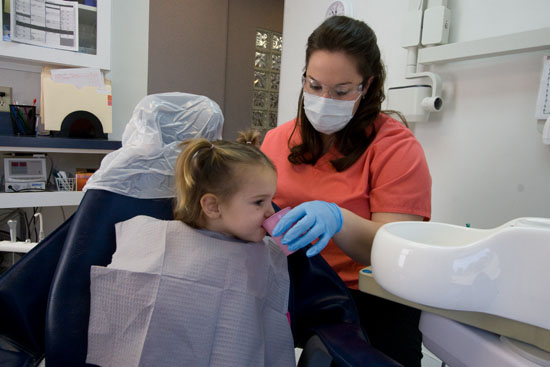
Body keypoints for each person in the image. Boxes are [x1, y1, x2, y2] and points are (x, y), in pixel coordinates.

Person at [261, 16, 431, 367]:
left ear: (366, 86)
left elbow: (393, 251)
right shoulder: (277, 140)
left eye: (341, 91)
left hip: (364, 301)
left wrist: (338, 220)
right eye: (315, 85)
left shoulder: (396, 147)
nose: (324, 99)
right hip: (285, 288)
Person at [86, 130, 295, 367]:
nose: (271, 211)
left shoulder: (267, 255)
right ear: (213, 206)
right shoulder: (157, 245)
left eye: (271, 200)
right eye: (259, 202)